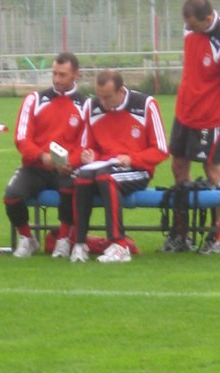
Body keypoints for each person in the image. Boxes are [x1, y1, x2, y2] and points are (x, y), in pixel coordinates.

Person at [159, 0, 220, 255]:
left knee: (213, 169)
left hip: (211, 117)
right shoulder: (190, 31)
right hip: (184, 111)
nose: (190, 29)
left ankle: (215, 237)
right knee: (178, 166)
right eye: (188, 24)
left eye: (195, 25)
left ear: (208, 18)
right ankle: (181, 234)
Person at [70, 69, 169, 264]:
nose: (103, 103)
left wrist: (132, 159)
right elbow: (88, 144)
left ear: (121, 90)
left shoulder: (146, 105)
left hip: (137, 169)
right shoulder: (91, 106)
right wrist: (90, 155)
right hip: (103, 166)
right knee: (82, 177)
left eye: (107, 97)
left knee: (106, 178)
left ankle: (119, 244)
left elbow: (161, 149)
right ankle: (80, 243)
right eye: (99, 96)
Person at [4, 52, 85, 258]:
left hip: (65, 170)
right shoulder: (35, 99)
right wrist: (42, 156)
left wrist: (69, 162)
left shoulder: (86, 105)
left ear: (76, 74)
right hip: (36, 167)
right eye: (54, 74)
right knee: (12, 195)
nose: (57, 79)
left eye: (63, 75)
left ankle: (64, 239)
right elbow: (22, 138)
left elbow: (85, 144)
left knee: (71, 189)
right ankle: (27, 239)